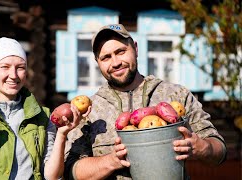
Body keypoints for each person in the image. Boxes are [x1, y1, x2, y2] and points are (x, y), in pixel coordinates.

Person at [63, 24, 227, 179]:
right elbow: (72, 171)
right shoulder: (89, 111)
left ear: (135, 48)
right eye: (106, 57)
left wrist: (202, 147)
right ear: (97, 62)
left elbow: (219, 151)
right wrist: (110, 161)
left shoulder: (176, 95)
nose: (115, 62)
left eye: (121, 51)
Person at [0, 37, 88, 180]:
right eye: (5, 67)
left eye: (20, 67)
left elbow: (52, 176)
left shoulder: (43, 117)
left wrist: (62, 135)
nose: (13, 75)